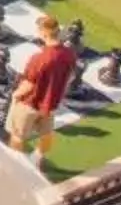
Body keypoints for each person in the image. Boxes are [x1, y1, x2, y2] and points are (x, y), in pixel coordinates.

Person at [9, 18, 79, 160]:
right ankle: (38, 160)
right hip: (51, 104)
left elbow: (29, 84)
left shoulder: (39, 58)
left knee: (17, 135)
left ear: (43, 33)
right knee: (47, 135)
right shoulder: (69, 54)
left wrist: (15, 95)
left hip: (30, 103)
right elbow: (69, 77)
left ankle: (15, 164)